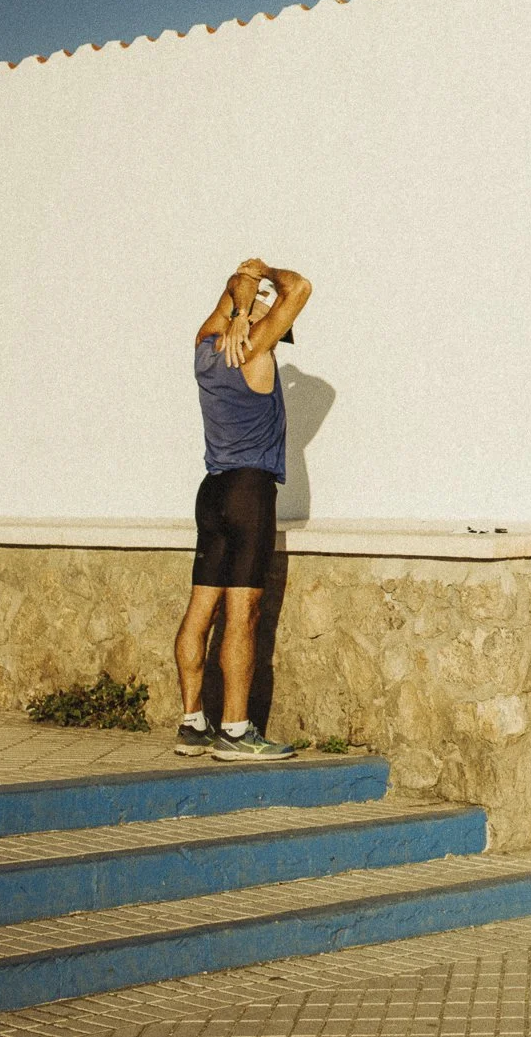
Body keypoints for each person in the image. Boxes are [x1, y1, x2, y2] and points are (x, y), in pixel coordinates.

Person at [174, 258, 312, 760]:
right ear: (256, 322)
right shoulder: (255, 348)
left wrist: (239, 294)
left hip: (211, 492)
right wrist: (266, 271)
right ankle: (234, 730)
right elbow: (299, 287)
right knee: (242, 611)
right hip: (249, 492)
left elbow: (229, 298)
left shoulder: (203, 348)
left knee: (200, 607)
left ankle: (192, 722)